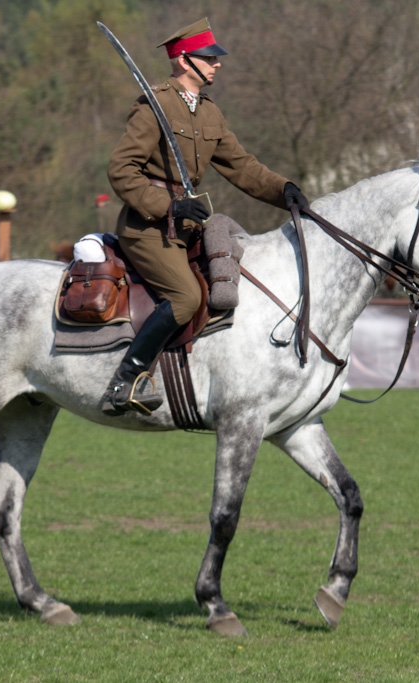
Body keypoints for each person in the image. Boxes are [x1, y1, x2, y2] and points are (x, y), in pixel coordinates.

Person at [101, 17, 310, 416]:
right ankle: (125, 380)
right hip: (148, 227)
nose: (218, 65)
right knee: (186, 296)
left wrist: (284, 191)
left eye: (216, 58)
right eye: (208, 58)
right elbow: (122, 170)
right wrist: (169, 206)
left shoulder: (210, 114)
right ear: (183, 61)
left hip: (186, 227)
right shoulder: (155, 105)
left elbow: (243, 167)